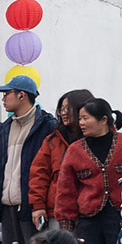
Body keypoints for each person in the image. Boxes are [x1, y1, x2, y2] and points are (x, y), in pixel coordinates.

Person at [53, 99, 122, 244]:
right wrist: (66, 227)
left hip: (121, 218)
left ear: (103, 120)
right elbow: (66, 190)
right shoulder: (75, 150)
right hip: (88, 221)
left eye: (85, 118)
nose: (80, 123)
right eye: (80, 118)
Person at [0, 73, 60, 244]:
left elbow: (48, 169)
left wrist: (40, 204)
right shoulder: (4, 128)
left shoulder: (47, 125)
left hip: (32, 208)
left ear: (22, 95)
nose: (3, 98)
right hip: (7, 206)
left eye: (7, 93)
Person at [31, 89, 93, 234]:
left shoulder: (94, 139)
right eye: (61, 109)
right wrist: (38, 205)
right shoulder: (52, 140)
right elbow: (39, 174)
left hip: (90, 212)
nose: (63, 113)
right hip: (57, 212)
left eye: (68, 109)